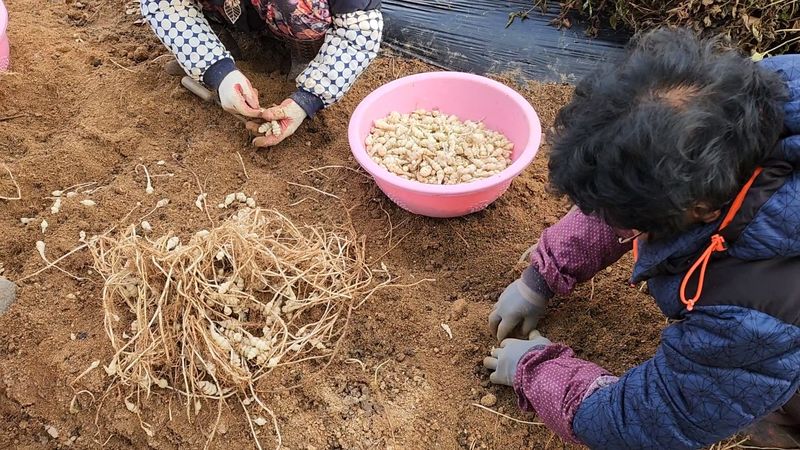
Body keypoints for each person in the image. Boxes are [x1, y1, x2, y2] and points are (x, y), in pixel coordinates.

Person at [484, 28, 800, 449]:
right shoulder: (745, 96)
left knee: (758, 389)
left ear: (701, 209)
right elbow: (639, 179)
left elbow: (647, 422)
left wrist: (534, 370)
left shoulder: (751, 313)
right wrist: (544, 272)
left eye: (633, 225)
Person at [140, 0, 383, 147]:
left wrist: (307, 100)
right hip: (229, 11)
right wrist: (218, 72)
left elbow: (359, 32)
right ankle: (216, 36)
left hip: (287, 14)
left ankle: (305, 49)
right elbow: (161, 4)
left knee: (297, 7)